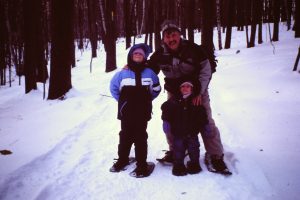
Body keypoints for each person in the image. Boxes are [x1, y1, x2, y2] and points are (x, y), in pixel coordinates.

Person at [148, 20, 229, 173]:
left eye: (174, 35)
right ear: (163, 39)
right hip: (174, 92)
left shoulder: (194, 50)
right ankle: (176, 150)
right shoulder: (159, 55)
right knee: (171, 122)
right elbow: (149, 70)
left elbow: (206, 71)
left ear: (179, 35)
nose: (171, 39)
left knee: (206, 122)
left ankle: (215, 155)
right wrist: (132, 68)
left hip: (197, 90)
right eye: (167, 36)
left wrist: (199, 91)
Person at [110, 43, 161, 176]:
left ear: (144, 57)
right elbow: (114, 88)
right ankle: (122, 160)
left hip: (142, 113)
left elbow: (156, 89)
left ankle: (142, 165)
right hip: (126, 112)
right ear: (131, 56)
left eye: (141, 54)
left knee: (140, 137)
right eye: (135, 53)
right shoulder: (122, 73)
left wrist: (147, 100)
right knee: (125, 136)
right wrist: (123, 102)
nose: (138, 55)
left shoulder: (150, 73)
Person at [161, 80, 208, 176]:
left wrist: (205, 125)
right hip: (178, 133)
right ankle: (178, 165)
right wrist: (165, 121)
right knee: (178, 149)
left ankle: (194, 164)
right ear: (179, 89)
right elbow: (165, 108)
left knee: (194, 149)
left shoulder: (195, 101)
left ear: (192, 89)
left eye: (188, 86)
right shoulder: (173, 101)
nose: (185, 88)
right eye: (183, 86)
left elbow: (202, 114)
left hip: (192, 132)